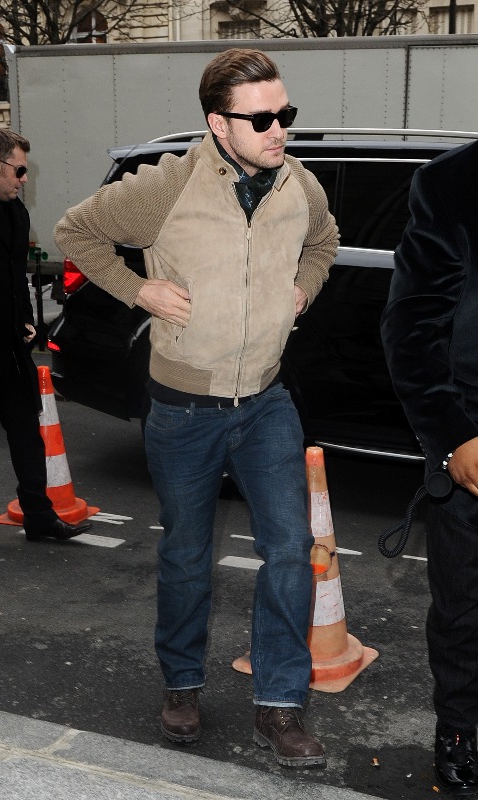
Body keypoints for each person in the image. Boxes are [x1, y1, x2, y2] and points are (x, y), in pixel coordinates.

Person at [54, 48, 338, 766]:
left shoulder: (297, 183)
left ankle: (280, 704)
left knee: (289, 550)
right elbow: (75, 231)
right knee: (186, 553)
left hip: (266, 401)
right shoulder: (169, 185)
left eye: (285, 113)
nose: (279, 129)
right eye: (261, 119)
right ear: (218, 124)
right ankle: (181, 683)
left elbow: (325, 241)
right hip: (183, 409)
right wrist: (139, 290)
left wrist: (302, 288)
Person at [381, 139, 478, 796]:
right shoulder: (452, 183)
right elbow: (410, 327)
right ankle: (460, 730)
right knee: (465, 606)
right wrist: (452, 439)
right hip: (474, 436)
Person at [0, 128, 91, 542]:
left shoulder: (16, 212)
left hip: (8, 347)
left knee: (27, 432)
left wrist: (26, 319)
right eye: (19, 170)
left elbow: (16, 276)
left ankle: (39, 516)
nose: (24, 179)